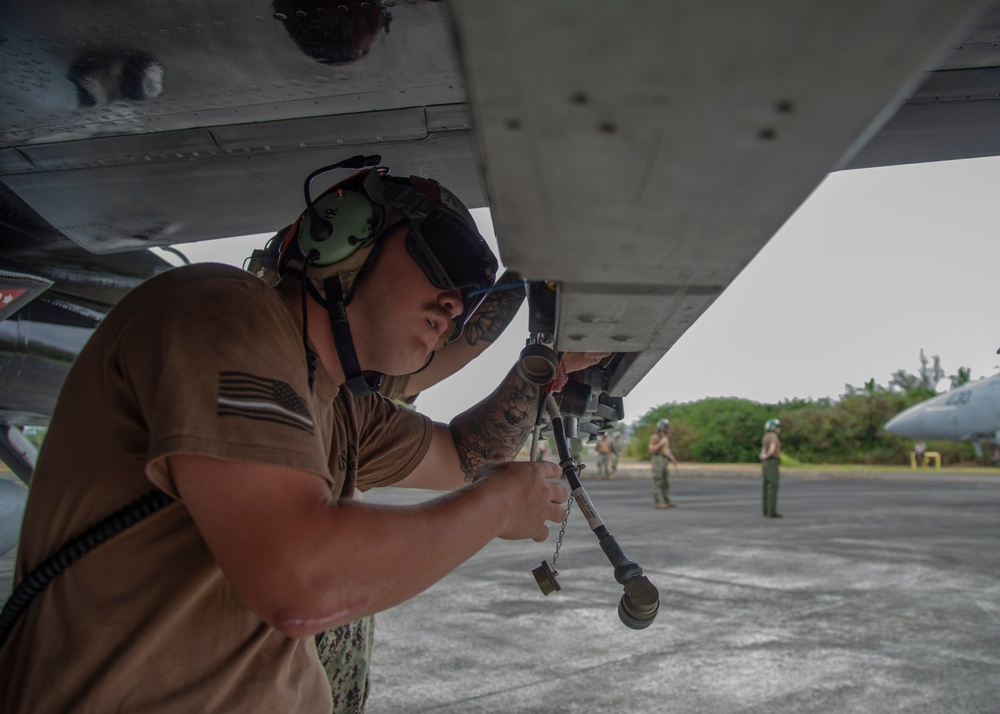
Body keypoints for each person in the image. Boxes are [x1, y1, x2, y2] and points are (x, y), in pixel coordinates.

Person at [0, 164, 597, 712]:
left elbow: (465, 455)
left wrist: (539, 369)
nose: (456, 301)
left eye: (470, 293)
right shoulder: (222, 311)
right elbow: (301, 580)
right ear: (343, 238)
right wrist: (495, 507)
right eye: (442, 262)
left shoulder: (340, 405)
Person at [648, 419, 679, 508]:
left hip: (665, 460)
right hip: (658, 459)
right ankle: (657, 502)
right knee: (657, 480)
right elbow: (651, 449)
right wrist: (660, 443)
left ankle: (667, 500)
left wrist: (672, 458)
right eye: (666, 427)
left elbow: (666, 450)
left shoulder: (665, 437)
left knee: (665, 481)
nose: (668, 429)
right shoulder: (655, 437)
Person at [760, 418, 782, 518]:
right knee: (773, 485)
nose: (779, 429)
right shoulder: (773, 436)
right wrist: (768, 456)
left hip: (765, 463)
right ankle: (771, 511)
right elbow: (772, 449)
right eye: (778, 427)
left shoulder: (766, 436)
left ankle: (766, 510)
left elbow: (764, 448)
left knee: (766, 485)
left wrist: (763, 456)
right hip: (772, 461)